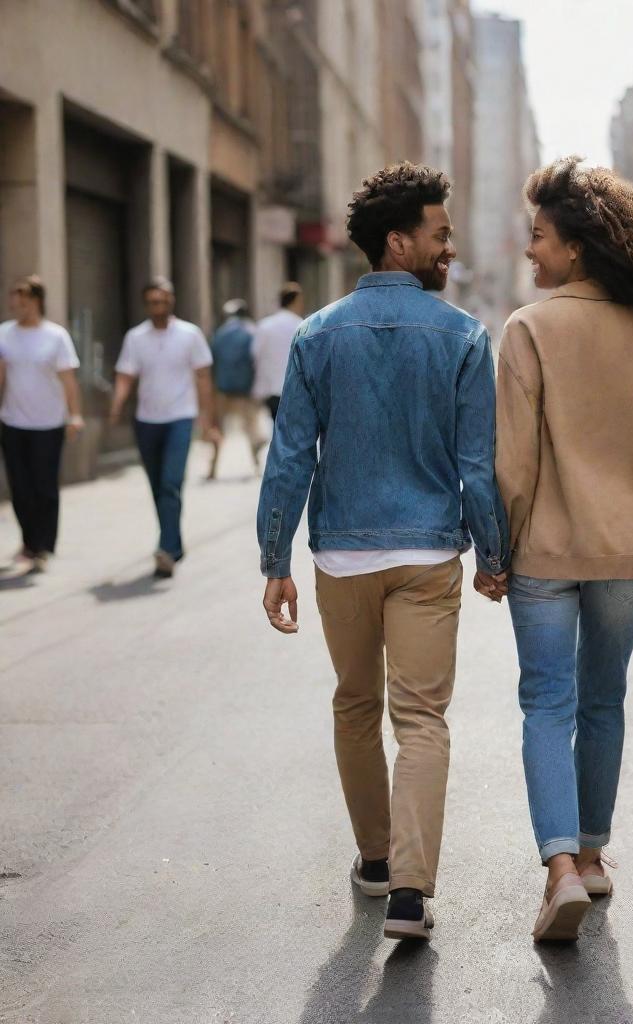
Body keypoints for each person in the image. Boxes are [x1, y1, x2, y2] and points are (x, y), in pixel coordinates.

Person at [258, 162, 509, 942]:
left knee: (356, 705)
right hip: (429, 553)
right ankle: (410, 890)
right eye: (440, 236)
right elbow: (476, 465)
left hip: (341, 560)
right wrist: (494, 555)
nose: (450, 251)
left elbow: (292, 456)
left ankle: (374, 862)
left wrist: (276, 561)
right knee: (423, 718)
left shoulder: (316, 334)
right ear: (398, 242)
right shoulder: (465, 336)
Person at [495, 157, 633, 942]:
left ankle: (558, 867)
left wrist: (497, 550)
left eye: (539, 239)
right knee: (603, 699)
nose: (531, 253)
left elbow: (512, 463)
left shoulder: (529, 328)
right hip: (629, 553)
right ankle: (591, 858)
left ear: (576, 249)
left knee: (545, 703)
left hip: (544, 556)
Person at [109, 277, 218, 579]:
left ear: (172, 301)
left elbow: (203, 378)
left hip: (180, 418)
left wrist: (208, 421)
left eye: (164, 301)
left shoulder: (190, 334)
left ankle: (166, 549)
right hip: (146, 421)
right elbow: (125, 375)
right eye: (154, 302)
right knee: (158, 487)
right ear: (146, 304)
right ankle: (173, 544)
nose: (160, 306)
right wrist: (117, 405)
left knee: (170, 483)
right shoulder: (135, 338)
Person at [0, 276, 84, 574]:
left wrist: (74, 414)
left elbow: (68, 380)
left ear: (36, 301)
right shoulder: (4, 334)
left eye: (22, 300)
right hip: (12, 421)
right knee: (20, 487)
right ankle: (29, 542)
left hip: (48, 423)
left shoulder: (56, 336)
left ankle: (44, 546)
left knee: (44, 487)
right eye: (14, 300)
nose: (16, 306)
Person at [207, 298, 264, 480]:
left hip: (223, 388)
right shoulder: (251, 331)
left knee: (219, 427)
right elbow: (257, 359)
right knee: (251, 427)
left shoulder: (220, 333)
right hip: (246, 388)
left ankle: (213, 467)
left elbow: (212, 360)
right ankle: (256, 463)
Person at [252, 282, 304, 422]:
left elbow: (255, 353)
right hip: (297, 388)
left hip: (272, 388)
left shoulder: (265, 325)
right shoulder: (303, 325)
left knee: (277, 427)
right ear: (296, 301)